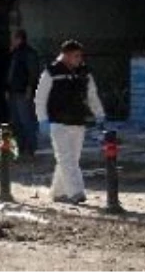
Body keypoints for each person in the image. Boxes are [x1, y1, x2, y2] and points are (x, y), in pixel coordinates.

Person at [35, 39, 105, 204]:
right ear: (65, 55)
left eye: (80, 56)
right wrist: (42, 119)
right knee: (66, 158)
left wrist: (99, 114)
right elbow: (40, 98)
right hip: (58, 122)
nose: (79, 59)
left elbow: (91, 95)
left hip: (77, 121)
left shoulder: (84, 73)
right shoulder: (51, 72)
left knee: (71, 158)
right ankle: (76, 192)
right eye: (76, 56)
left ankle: (58, 193)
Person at [6, 29, 40, 157]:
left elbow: (32, 72)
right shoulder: (16, 53)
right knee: (18, 121)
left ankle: (30, 146)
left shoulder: (25, 53)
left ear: (19, 39)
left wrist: (29, 88)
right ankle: (23, 145)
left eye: (13, 38)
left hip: (21, 90)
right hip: (16, 90)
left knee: (25, 119)